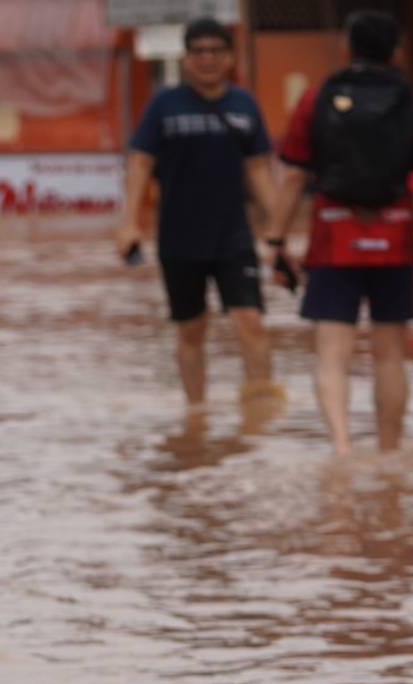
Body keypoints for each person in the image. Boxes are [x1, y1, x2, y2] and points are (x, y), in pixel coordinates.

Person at [264, 11, 413, 455]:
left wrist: (275, 241)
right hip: (395, 242)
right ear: (398, 52)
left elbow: (294, 177)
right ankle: (389, 453)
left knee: (331, 355)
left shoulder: (317, 99)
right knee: (390, 355)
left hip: (333, 242)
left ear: (345, 48)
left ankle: (341, 448)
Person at [117, 17, 281, 410]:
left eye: (215, 51)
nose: (207, 59)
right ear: (187, 59)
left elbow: (259, 170)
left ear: (230, 57)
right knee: (191, 330)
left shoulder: (245, 105)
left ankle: (259, 409)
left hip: (234, 237)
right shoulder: (164, 105)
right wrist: (129, 223)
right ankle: (197, 415)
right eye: (199, 52)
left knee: (250, 322)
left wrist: (279, 229)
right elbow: (140, 163)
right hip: (179, 238)